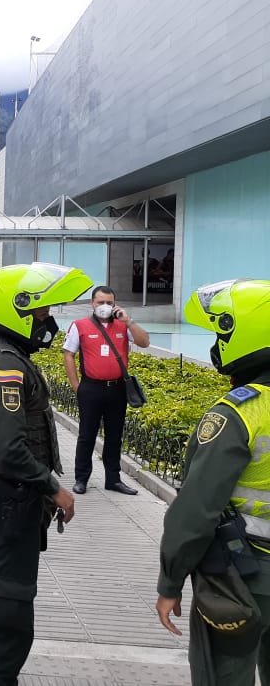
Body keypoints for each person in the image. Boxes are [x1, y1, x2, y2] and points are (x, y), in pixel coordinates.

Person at [0, 262, 92, 685]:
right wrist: (55, 488)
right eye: (40, 313)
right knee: (7, 612)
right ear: (16, 310)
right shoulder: (4, 368)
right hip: (5, 504)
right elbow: (8, 450)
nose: (48, 321)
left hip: (1, 502)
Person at [156, 280, 270, 684]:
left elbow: (196, 511)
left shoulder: (238, 415)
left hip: (244, 578)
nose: (218, 343)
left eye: (223, 331)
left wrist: (171, 581)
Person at [62, 285, 151, 495]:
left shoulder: (122, 325)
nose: (105, 306)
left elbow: (144, 342)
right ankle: (81, 479)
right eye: (100, 302)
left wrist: (128, 321)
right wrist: (77, 386)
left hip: (117, 389)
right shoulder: (79, 326)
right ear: (92, 303)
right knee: (87, 435)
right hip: (91, 388)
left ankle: (113, 479)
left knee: (114, 436)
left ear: (115, 304)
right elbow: (68, 355)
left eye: (109, 303)